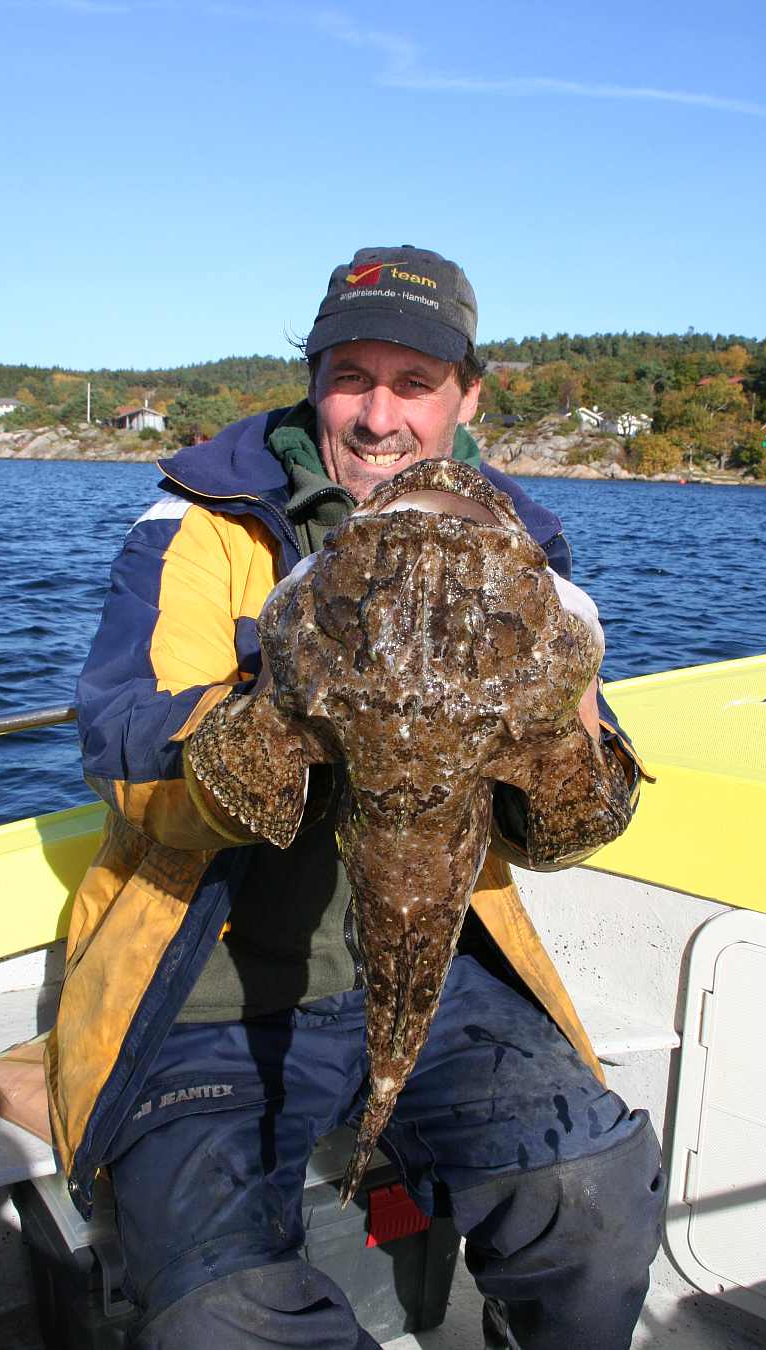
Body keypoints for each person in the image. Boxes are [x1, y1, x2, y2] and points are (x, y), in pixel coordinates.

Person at [45, 246, 665, 1350]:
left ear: (466, 398)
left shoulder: (519, 543)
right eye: (352, 380)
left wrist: (563, 705)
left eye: (415, 386)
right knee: (220, 1317)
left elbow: (575, 820)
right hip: (212, 987)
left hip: (448, 967)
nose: (381, 418)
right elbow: (123, 745)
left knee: (597, 1195)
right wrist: (295, 712)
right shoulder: (198, 524)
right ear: (313, 379)